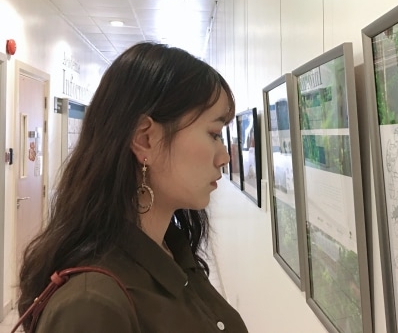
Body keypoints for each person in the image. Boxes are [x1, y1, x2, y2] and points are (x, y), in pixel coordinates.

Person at [17, 42, 248, 332]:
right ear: (145, 140)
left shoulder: (171, 248)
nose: (225, 157)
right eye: (214, 134)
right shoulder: (92, 306)